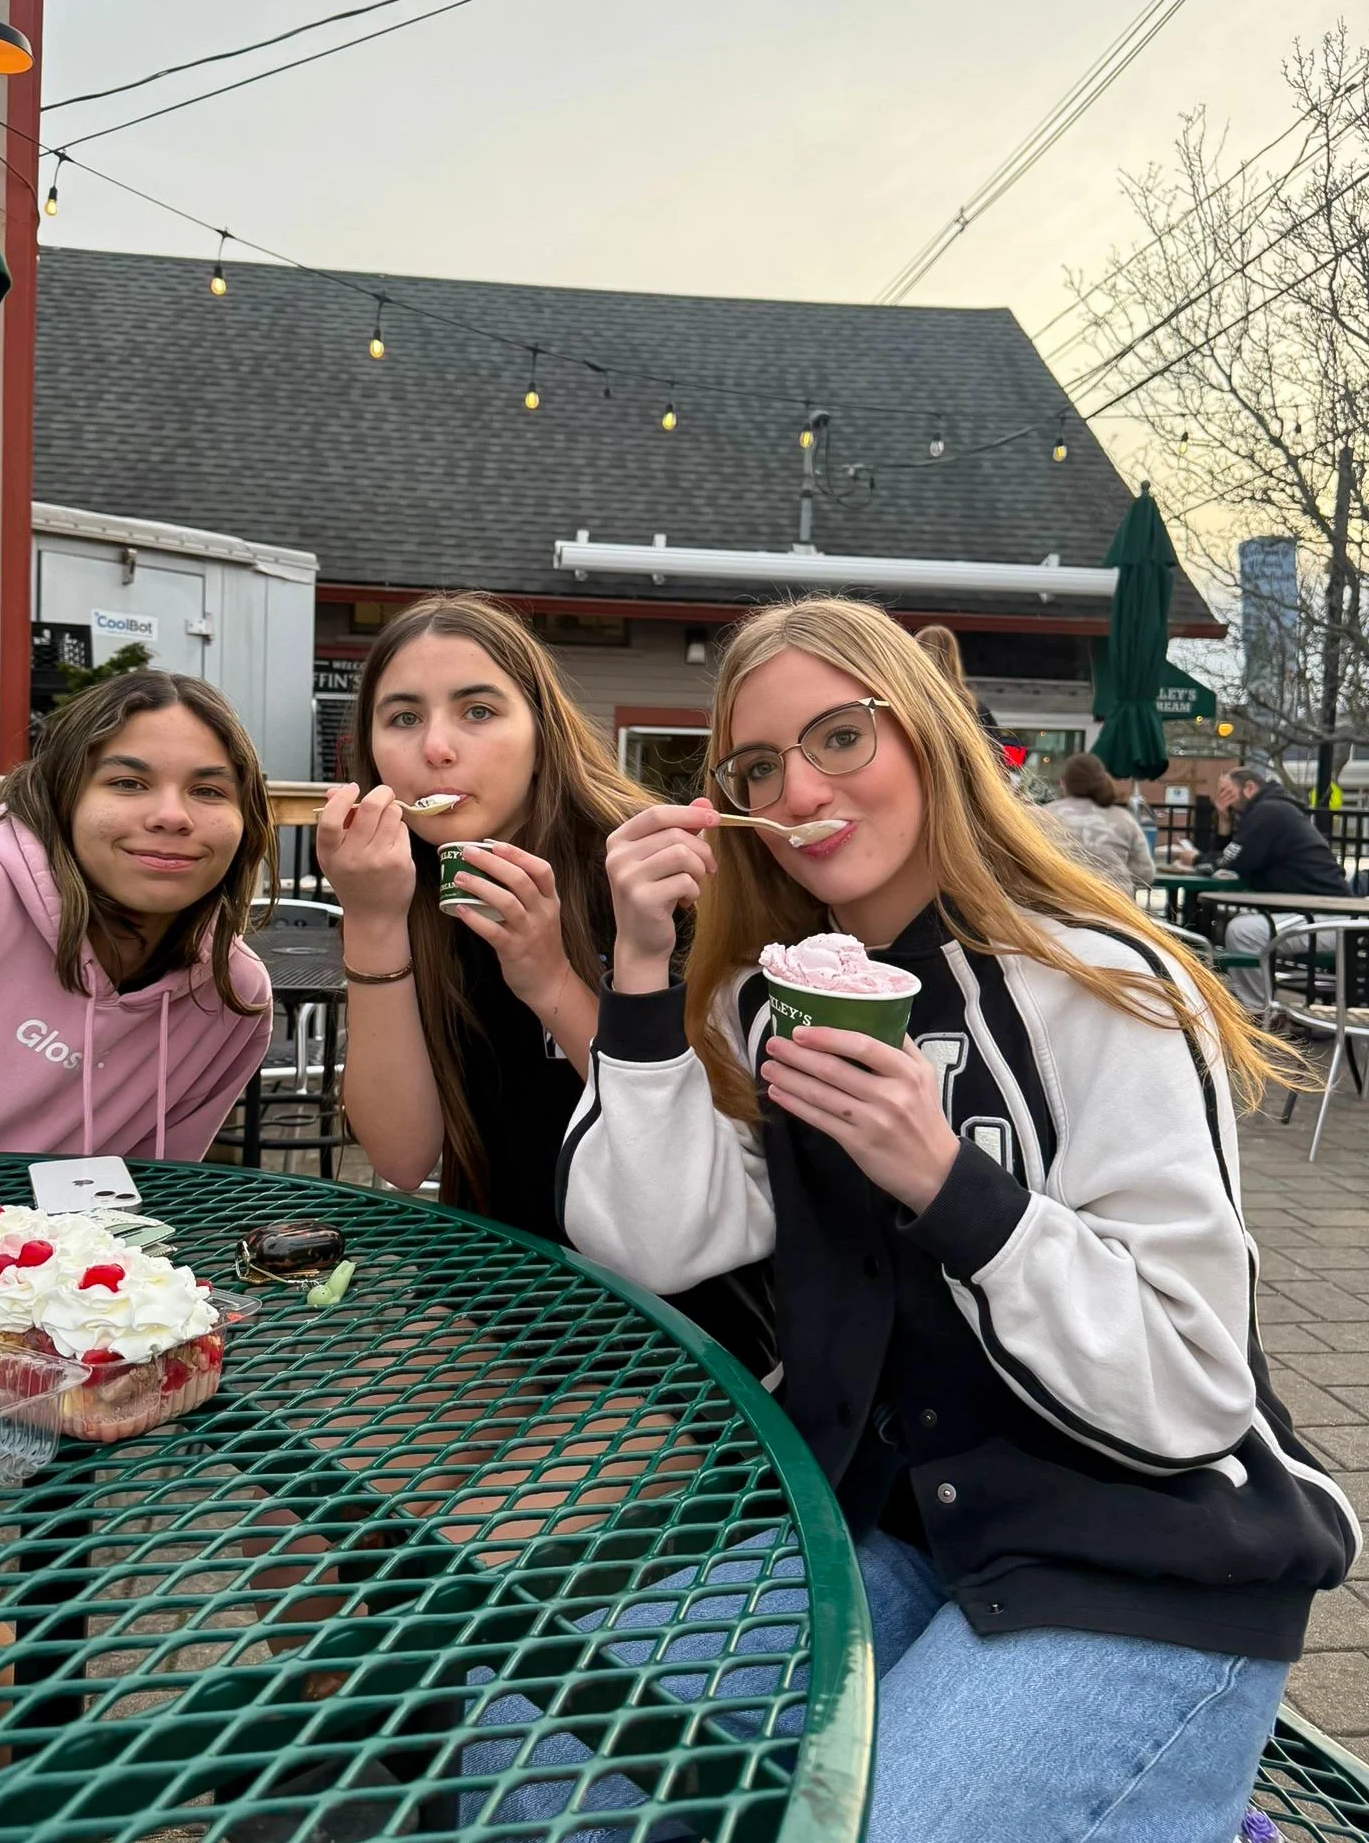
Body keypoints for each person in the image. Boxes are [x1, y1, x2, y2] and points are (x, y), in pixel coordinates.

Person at [557, 597, 1357, 1843]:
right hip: (900, 1525)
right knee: (544, 1756)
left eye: (837, 736)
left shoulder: (1102, 986)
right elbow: (647, 1241)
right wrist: (645, 970)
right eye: (757, 765)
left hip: (1145, 1551)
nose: (799, 785)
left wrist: (951, 1186)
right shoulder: (784, 1001)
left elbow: (1199, 1385)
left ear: (924, 734)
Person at [315, 591, 773, 1374]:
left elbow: (712, 1142)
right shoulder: (409, 889)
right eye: (402, 719)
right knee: (328, 1492)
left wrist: (547, 976)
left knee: (493, 1505)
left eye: (478, 711)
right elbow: (400, 1155)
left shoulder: (646, 872)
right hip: (497, 1285)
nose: (437, 749)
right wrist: (372, 920)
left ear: (541, 728)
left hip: (680, 1319)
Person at [0, 670, 275, 1157]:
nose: (172, 815)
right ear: (63, 796)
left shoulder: (233, 991)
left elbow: (156, 1192)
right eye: (128, 782)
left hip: (64, 1235)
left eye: (209, 791)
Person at [1213, 767, 1351, 1012]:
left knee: (1243, 931)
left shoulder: (1268, 812)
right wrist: (1224, 822)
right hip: (1313, 912)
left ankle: (1256, 1015)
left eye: (1227, 792)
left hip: (1329, 917)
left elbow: (1230, 862)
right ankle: (1259, 1010)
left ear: (1250, 788)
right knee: (1236, 926)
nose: (1222, 798)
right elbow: (1230, 858)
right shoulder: (1268, 810)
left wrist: (1194, 860)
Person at [1043, 750, 1157, 896]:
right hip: (1112, 907)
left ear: (1063, 782)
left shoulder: (1043, 815)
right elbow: (1145, 875)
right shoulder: (1124, 819)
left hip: (1056, 905)